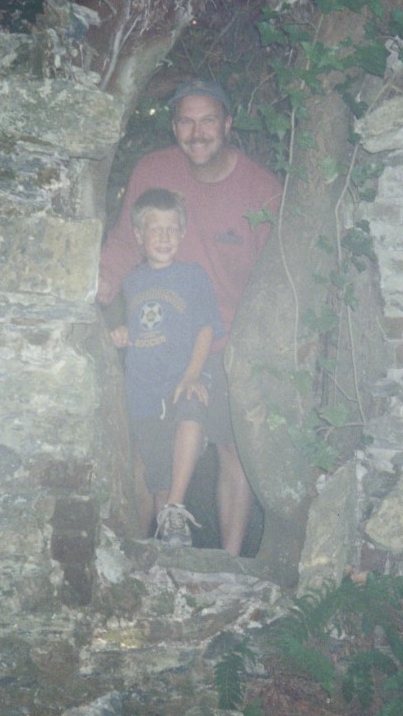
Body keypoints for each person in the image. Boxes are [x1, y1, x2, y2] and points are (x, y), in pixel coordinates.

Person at [99, 79, 283, 556]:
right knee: (146, 455)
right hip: (157, 344)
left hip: (225, 346)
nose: (196, 132)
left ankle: (229, 559)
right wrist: (98, 287)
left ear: (227, 124)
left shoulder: (261, 189)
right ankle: (142, 556)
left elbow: (278, 279)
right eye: (185, 120)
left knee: (231, 450)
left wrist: (266, 348)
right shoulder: (153, 169)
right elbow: (125, 239)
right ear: (174, 125)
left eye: (207, 120)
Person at [109, 187, 224, 547]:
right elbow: (126, 327)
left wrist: (192, 373)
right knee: (155, 474)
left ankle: (176, 505)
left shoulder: (193, 276)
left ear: (182, 233)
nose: (163, 237)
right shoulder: (130, 282)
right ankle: (166, 540)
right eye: (154, 230)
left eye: (171, 229)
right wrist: (121, 333)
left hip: (181, 377)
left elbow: (207, 327)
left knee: (191, 405)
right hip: (143, 392)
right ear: (139, 237)